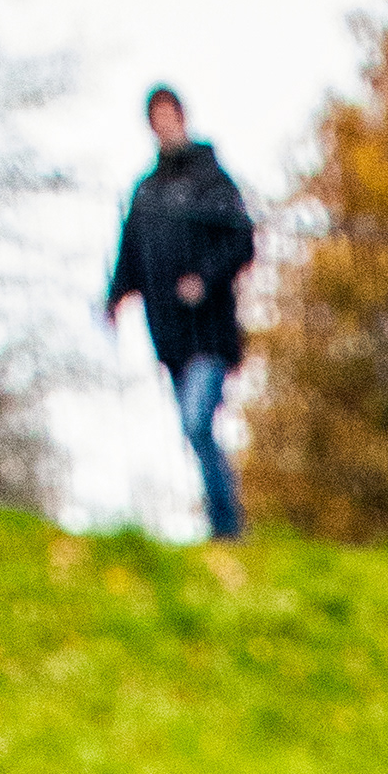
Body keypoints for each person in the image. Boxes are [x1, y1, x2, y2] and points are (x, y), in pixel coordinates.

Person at [106, 85, 255, 543]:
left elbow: (241, 240)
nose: (164, 125)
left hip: (211, 331)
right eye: (156, 119)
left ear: (182, 118)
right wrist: (114, 299)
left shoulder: (212, 178)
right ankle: (223, 524)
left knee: (196, 422)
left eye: (169, 116)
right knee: (195, 431)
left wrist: (204, 278)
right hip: (169, 334)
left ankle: (227, 526)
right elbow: (130, 256)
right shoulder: (145, 193)